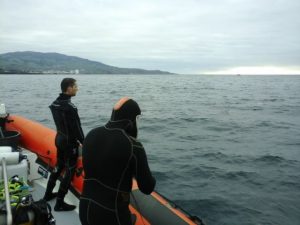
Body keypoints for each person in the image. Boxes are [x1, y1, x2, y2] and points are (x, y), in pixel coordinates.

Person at [79, 97, 156, 225]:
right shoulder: (133, 145)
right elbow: (147, 188)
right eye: (138, 119)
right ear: (131, 120)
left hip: (85, 209)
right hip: (112, 215)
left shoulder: (92, 134)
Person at [43, 78, 84, 211]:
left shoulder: (55, 104)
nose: (77, 88)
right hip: (69, 143)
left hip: (59, 139)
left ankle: (47, 194)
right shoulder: (70, 107)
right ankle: (59, 203)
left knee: (59, 166)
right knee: (70, 170)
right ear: (69, 88)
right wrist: (84, 143)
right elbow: (77, 128)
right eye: (75, 86)